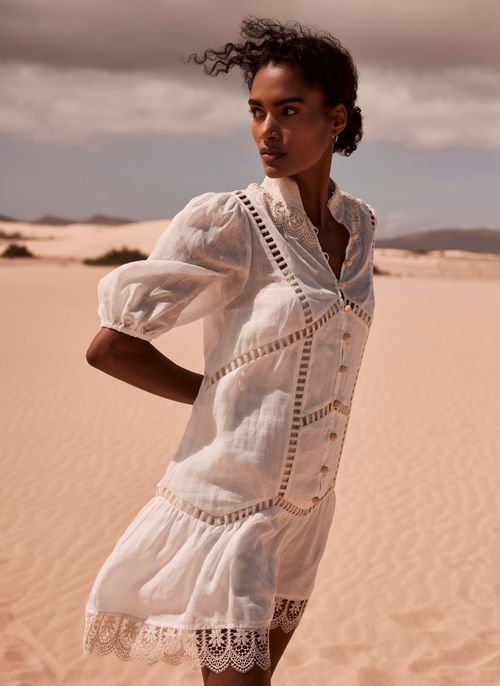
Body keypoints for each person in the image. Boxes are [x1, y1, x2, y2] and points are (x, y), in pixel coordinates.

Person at [82, 15, 378, 686]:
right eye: (257, 112)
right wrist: (212, 394)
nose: (268, 132)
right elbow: (112, 347)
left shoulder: (358, 226)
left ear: (336, 119)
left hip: (306, 509)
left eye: (289, 111)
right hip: (231, 509)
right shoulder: (232, 221)